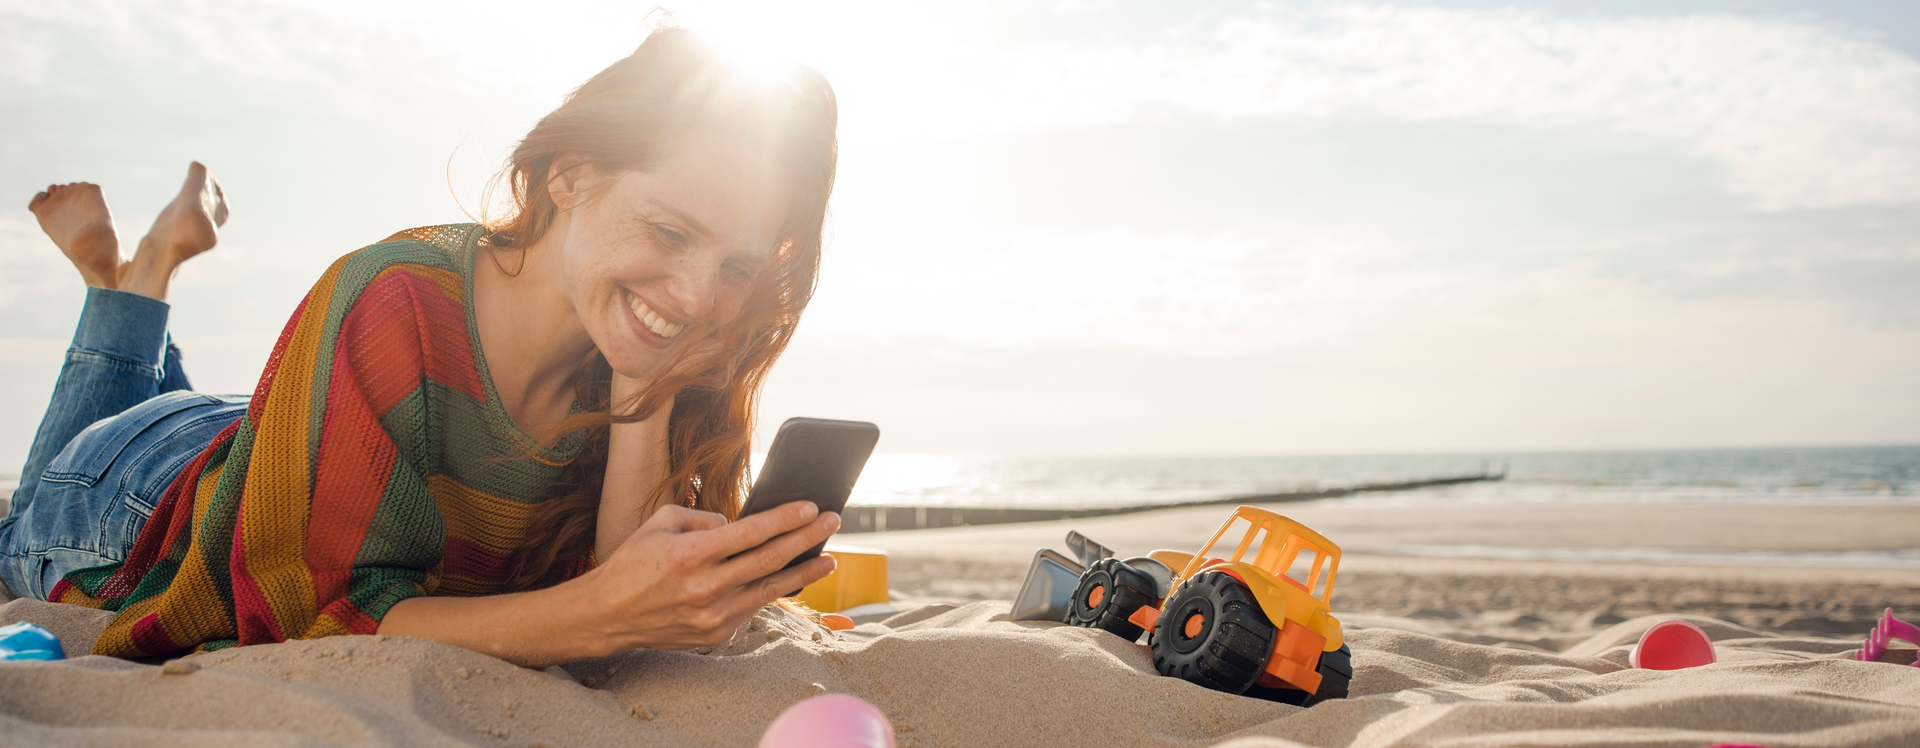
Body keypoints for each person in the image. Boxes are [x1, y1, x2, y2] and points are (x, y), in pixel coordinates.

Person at [0, 28, 842, 668]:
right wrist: (596, 614)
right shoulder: (392, 294)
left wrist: (642, 394)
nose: (698, 296)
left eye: (734, 264)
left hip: (304, 432)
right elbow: (311, 611)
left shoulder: (668, 334)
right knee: (20, 521)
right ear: (570, 175)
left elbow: (623, 584)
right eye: (668, 230)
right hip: (136, 495)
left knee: (241, 429)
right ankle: (130, 286)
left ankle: (137, 278)